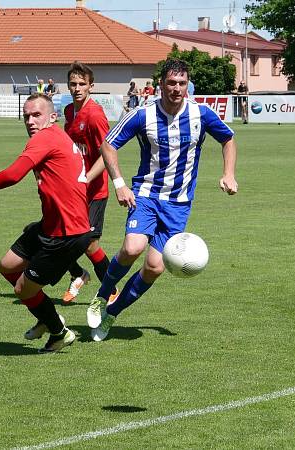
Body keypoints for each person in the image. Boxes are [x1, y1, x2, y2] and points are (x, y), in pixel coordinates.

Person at [86, 59, 238, 341]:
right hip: (145, 194)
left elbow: (228, 139)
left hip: (179, 203)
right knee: (132, 248)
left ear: (187, 86)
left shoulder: (201, 114)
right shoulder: (142, 115)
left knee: (155, 267)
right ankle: (102, 293)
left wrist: (228, 173)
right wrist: (119, 184)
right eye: (171, 83)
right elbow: (108, 145)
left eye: (182, 83)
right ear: (161, 85)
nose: (176, 89)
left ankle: (111, 313)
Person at [0, 93, 92, 353]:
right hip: (51, 225)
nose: (30, 121)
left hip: (66, 234)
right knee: (7, 266)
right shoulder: (58, 136)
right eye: (26, 116)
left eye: (36, 115)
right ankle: (47, 318)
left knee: (22, 290)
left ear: (52, 117)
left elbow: (14, 175)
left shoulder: (46, 137)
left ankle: (59, 333)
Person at [59, 62, 113, 304]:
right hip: (73, 190)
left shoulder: (95, 115)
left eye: (82, 84)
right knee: (58, 236)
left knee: (89, 243)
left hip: (95, 190)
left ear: (91, 86)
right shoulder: (69, 111)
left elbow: (108, 153)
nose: (77, 88)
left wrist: (87, 178)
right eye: (73, 83)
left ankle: (111, 290)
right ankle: (78, 274)